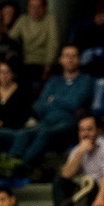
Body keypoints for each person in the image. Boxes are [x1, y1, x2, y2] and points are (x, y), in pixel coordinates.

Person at [6, 45, 94, 174]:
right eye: (66, 56)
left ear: (79, 59)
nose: (70, 59)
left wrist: (54, 99)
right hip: (47, 120)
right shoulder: (53, 81)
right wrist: (61, 103)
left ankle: (21, 167)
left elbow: (75, 103)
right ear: (60, 60)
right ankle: (9, 164)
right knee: (22, 133)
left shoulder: (86, 80)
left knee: (44, 133)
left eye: (73, 56)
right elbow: (38, 106)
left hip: (71, 122)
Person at [55, 114, 104, 206]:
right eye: (82, 130)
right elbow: (66, 174)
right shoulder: (78, 149)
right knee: (60, 182)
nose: (85, 133)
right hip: (87, 190)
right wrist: (80, 153)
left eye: (89, 129)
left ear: (99, 130)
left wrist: (100, 198)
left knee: (91, 187)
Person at [8, 0, 60, 86]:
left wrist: (48, 64)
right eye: (32, 6)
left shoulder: (50, 19)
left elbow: (53, 43)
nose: (35, 10)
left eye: (39, 6)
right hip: (24, 62)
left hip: (42, 63)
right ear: (28, 8)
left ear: (45, 7)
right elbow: (10, 37)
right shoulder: (23, 19)